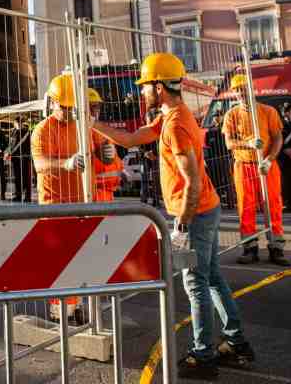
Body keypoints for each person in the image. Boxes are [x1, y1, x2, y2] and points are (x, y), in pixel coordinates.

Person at [91, 53, 254, 378]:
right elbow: (132, 138)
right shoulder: (170, 117)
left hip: (195, 213)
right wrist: (92, 123)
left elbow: (191, 179)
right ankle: (236, 342)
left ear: (160, 87)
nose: (141, 92)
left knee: (195, 283)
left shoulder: (176, 124)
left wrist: (183, 221)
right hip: (205, 209)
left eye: (145, 85)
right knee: (211, 279)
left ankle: (203, 355)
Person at [30, 74, 111, 324]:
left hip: (82, 203)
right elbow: (40, 163)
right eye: (64, 107)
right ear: (52, 102)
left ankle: (76, 305)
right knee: (58, 260)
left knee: (80, 257)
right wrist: (65, 163)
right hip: (54, 206)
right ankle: (60, 310)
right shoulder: (41, 131)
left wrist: (108, 153)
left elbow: (105, 149)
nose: (68, 112)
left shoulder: (83, 125)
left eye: (71, 107)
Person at [222, 74, 290, 267]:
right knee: (246, 207)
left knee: (273, 205)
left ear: (252, 90)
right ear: (234, 93)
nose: (241, 93)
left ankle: (276, 247)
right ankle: (249, 247)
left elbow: (277, 138)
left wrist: (269, 159)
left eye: (244, 89)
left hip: (267, 166)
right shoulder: (231, 115)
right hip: (243, 166)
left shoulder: (268, 111)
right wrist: (249, 143)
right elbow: (228, 143)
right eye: (237, 90)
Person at [88, 89, 122, 202]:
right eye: (91, 106)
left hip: (105, 199)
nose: (95, 111)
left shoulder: (102, 132)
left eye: (97, 106)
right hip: (88, 197)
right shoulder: (77, 133)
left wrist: (114, 159)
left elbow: (117, 166)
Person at [5, 117, 32, 202]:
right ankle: (18, 195)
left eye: (20, 123)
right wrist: (8, 152)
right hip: (15, 158)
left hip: (24, 157)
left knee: (26, 177)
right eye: (17, 123)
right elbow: (11, 144)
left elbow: (28, 145)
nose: (18, 124)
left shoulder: (27, 132)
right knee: (17, 178)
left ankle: (28, 196)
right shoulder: (13, 131)